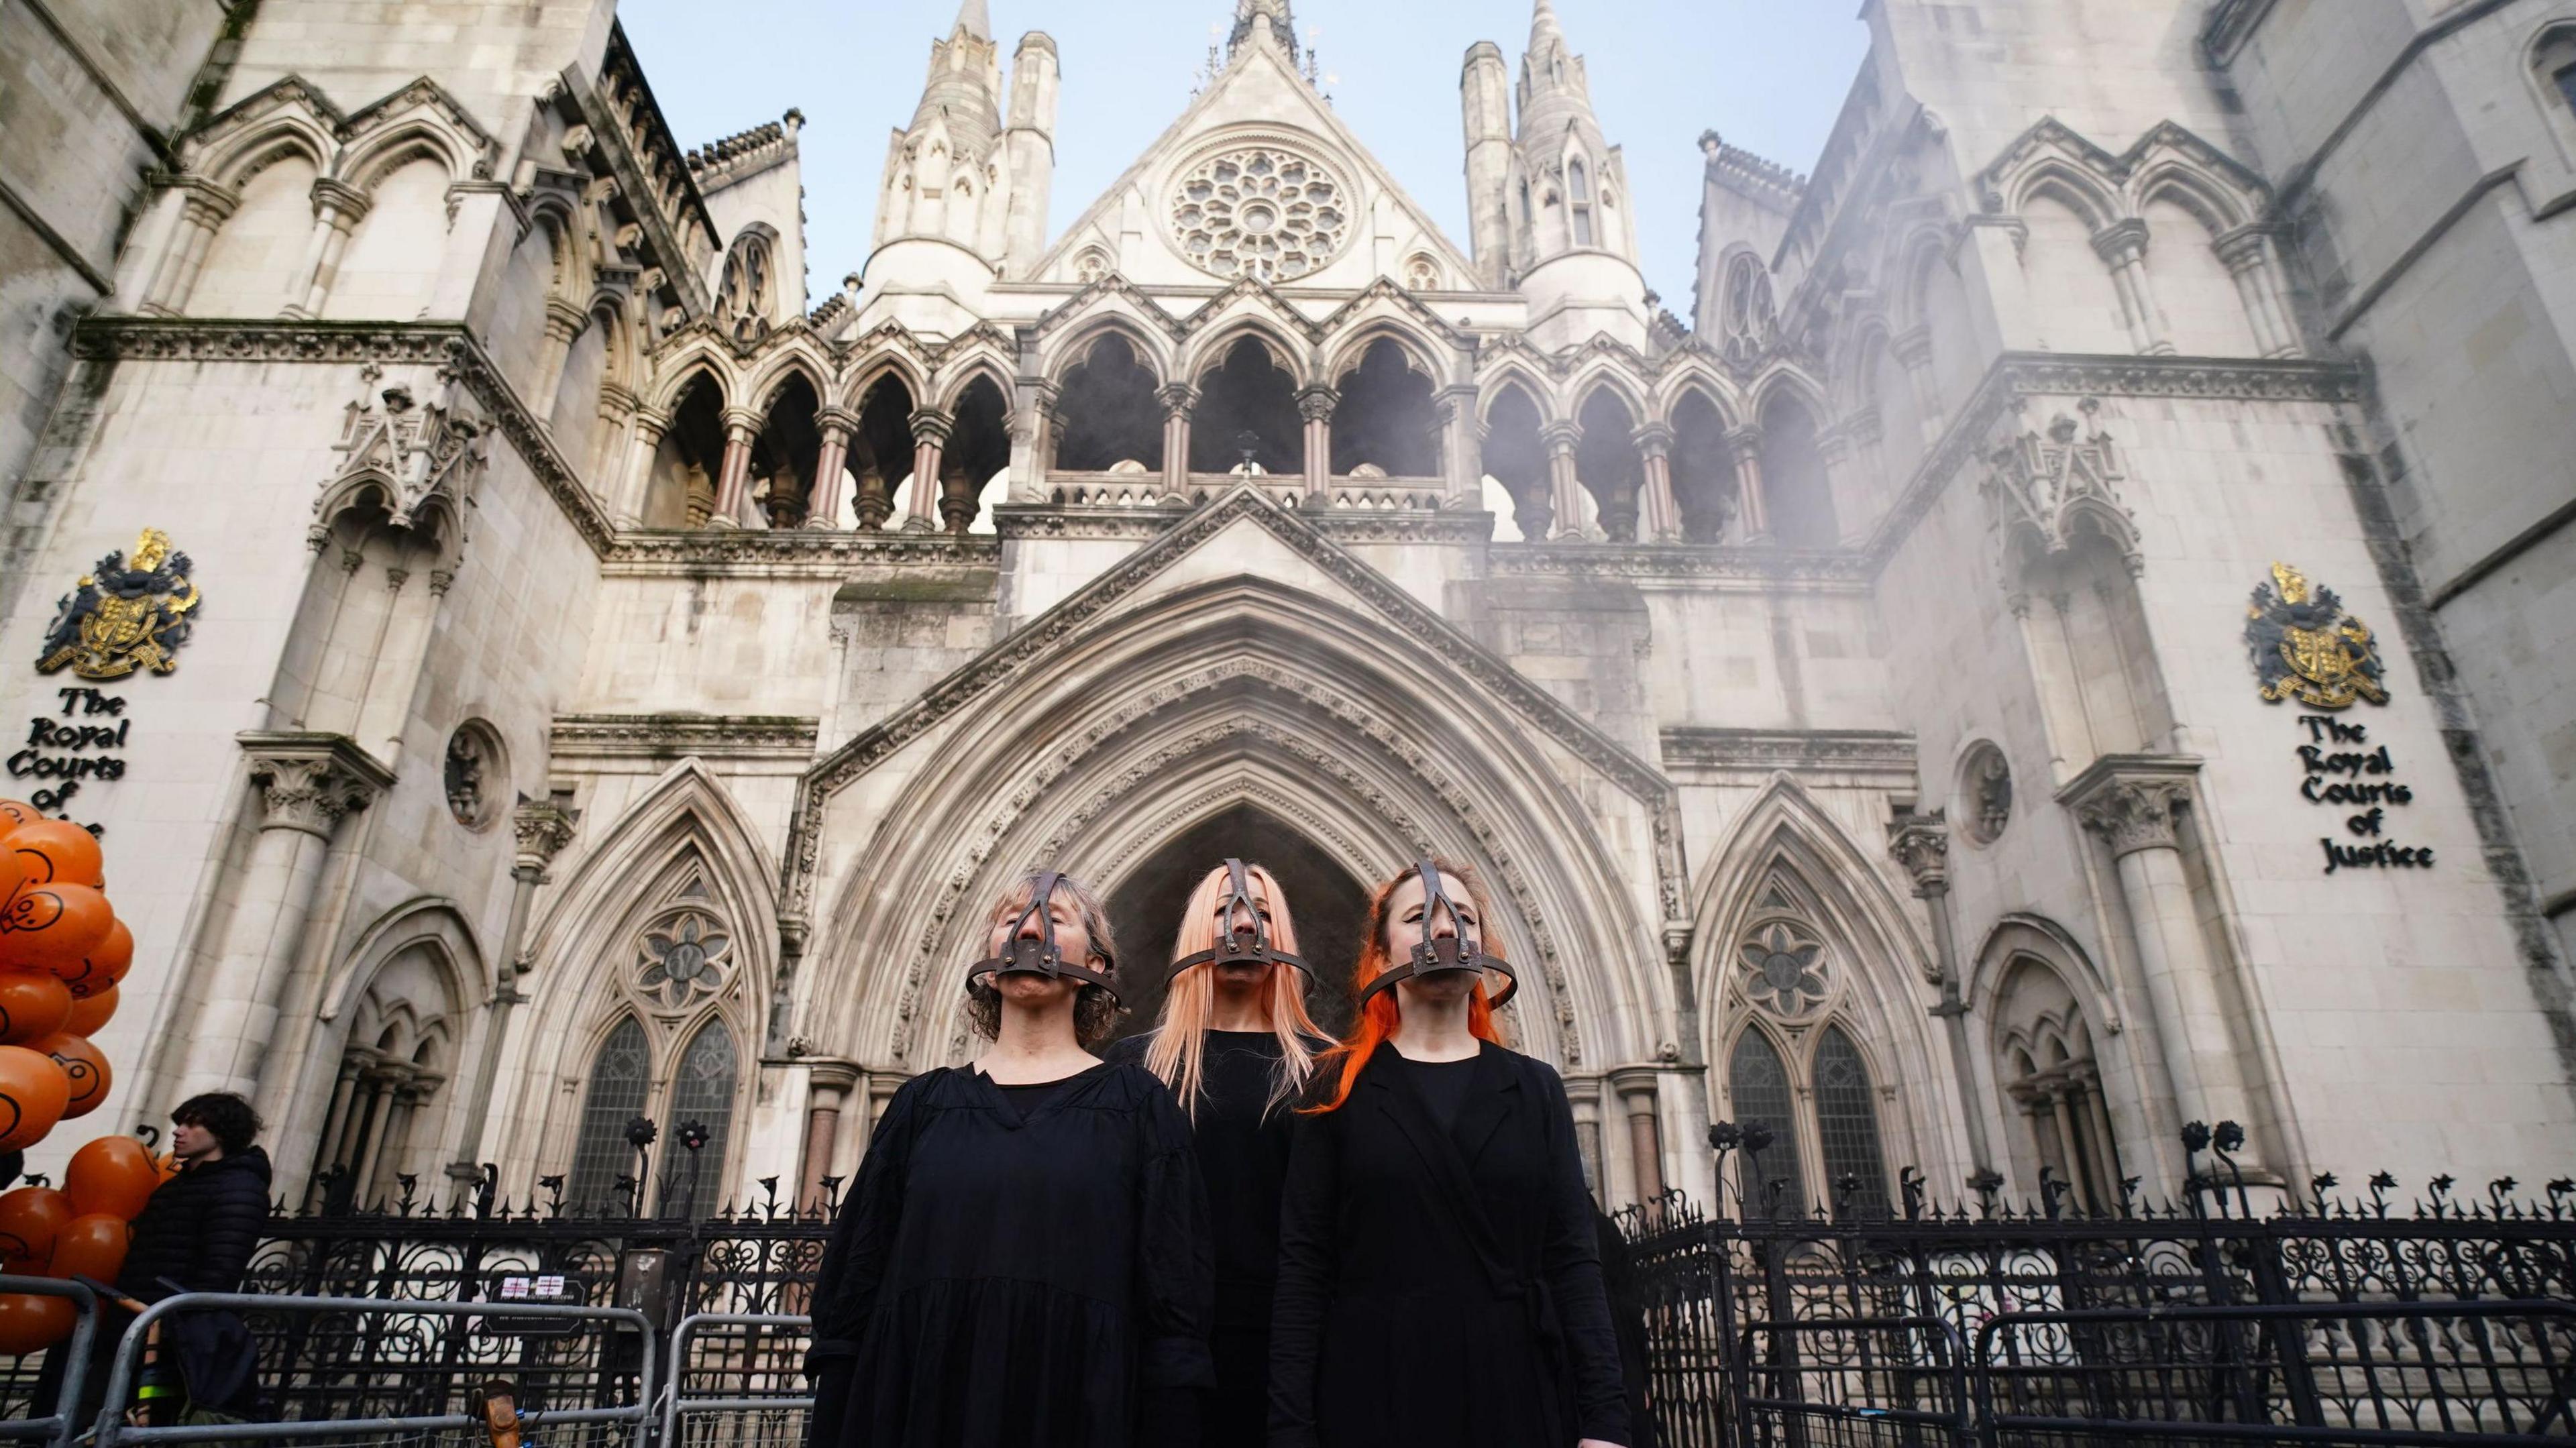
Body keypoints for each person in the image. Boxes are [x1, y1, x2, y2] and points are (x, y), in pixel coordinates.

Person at [804, 869, 1216, 1448]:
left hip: (1077, 1407)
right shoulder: (922, 1106)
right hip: (927, 1401)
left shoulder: (1141, 1108)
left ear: (1097, 967)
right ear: (988, 961)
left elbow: (1173, 1298)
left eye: (1058, 918)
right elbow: (857, 1277)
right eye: (1010, 917)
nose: (1031, 927)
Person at [1268, 858, 1630, 1448]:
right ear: (1381, 957)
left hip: (1513, 1388)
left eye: (1463, 916)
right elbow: (1304, 1269)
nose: (1445, 929)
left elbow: (1573, 1261)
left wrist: (1606, 1423)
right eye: (1419, 917)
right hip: (1375, 1392)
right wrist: (1291, 1430)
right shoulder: (1334, 1088)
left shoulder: (1535, 1087)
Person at [1108, 859, 1330, 1443]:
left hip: (1291, 1344)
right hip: (1162, 1345)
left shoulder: (1328, 1067)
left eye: (1260, 910)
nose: (1242, 923)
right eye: (1220, 911)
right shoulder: (1135, 1068)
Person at [39, 1092, 272, 1428]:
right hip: (130, 1324)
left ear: (221, 1132)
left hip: (170, 1336)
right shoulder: (173, 1188)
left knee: (142, 1424)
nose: (179, 1132)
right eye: (180, 1124)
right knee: (90, 1418)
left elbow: (220, 1270)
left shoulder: (239, 1189)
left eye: (192, 1124)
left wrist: (166, 1318)